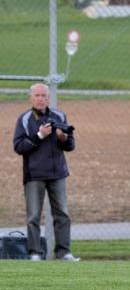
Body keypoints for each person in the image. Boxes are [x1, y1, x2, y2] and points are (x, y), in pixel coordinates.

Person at [13, 83, 80, 261]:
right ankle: (35, 253)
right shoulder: (25, 119)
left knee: (62, 214)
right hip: (34, 176)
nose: (40, 99)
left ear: (48, 98)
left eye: (43, 95)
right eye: (37, 95)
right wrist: (39, 136)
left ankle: (64, 252)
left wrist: (63, 137)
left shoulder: (59, 116)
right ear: (31, 98)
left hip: (57, 174)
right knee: (33, 216)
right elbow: (18, 147)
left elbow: (70, 145)